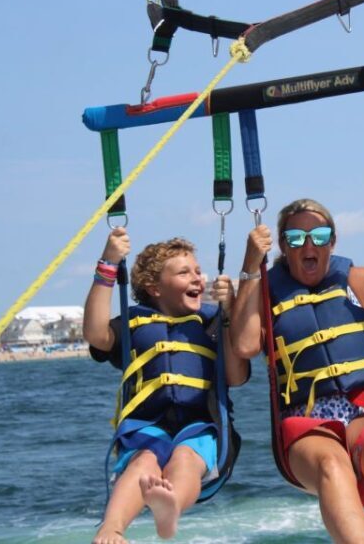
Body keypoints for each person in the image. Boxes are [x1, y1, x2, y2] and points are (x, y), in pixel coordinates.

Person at [230, 198, 364, 544]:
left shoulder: (357, 281)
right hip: (306, 418)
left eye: (319, 236)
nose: (308, 245)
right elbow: (246, 345)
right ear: (282, 246)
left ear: (333, 241)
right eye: (296, 239)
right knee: (332, 465)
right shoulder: (264, 294)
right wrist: (251, 264)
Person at [84, 227, 249, 544]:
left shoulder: (212, 322)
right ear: (154, 288)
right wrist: (108, 264)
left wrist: (231, 312)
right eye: (184, 272)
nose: (197, 279)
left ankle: (169, 508)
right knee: (144, 460)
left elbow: (236, 377)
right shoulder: (133, 324)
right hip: (147, 426)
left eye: (198, 271)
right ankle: (112, 528)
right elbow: (95, 334)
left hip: (202, 427)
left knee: (186, 458)